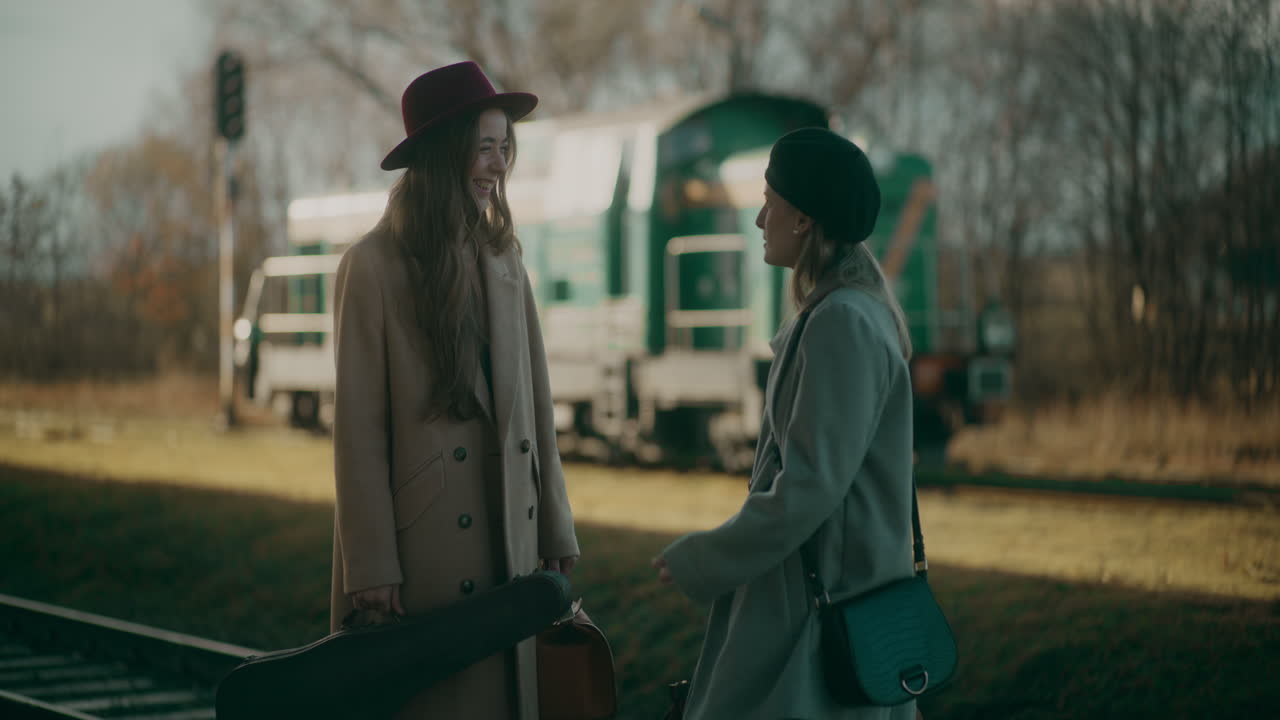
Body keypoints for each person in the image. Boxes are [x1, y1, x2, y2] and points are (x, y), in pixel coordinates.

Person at [329, 61, 580, 719]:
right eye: (485, 146)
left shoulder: (506, 260)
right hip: (423, 555)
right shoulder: (373, 266)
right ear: (444, 154)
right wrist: (371, 565)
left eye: (505, 148)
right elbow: (358, 433)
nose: (498, 164)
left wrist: (555, 522)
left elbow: (537, 405)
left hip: (511, 542)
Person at [652, 127, 919, 720]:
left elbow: (808, 487)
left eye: (769, 202)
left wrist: (707, 557)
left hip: (820, 622)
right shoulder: (849, 312)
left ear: (802, 219)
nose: (758, 219)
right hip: (833, 606)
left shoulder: (842, 324)